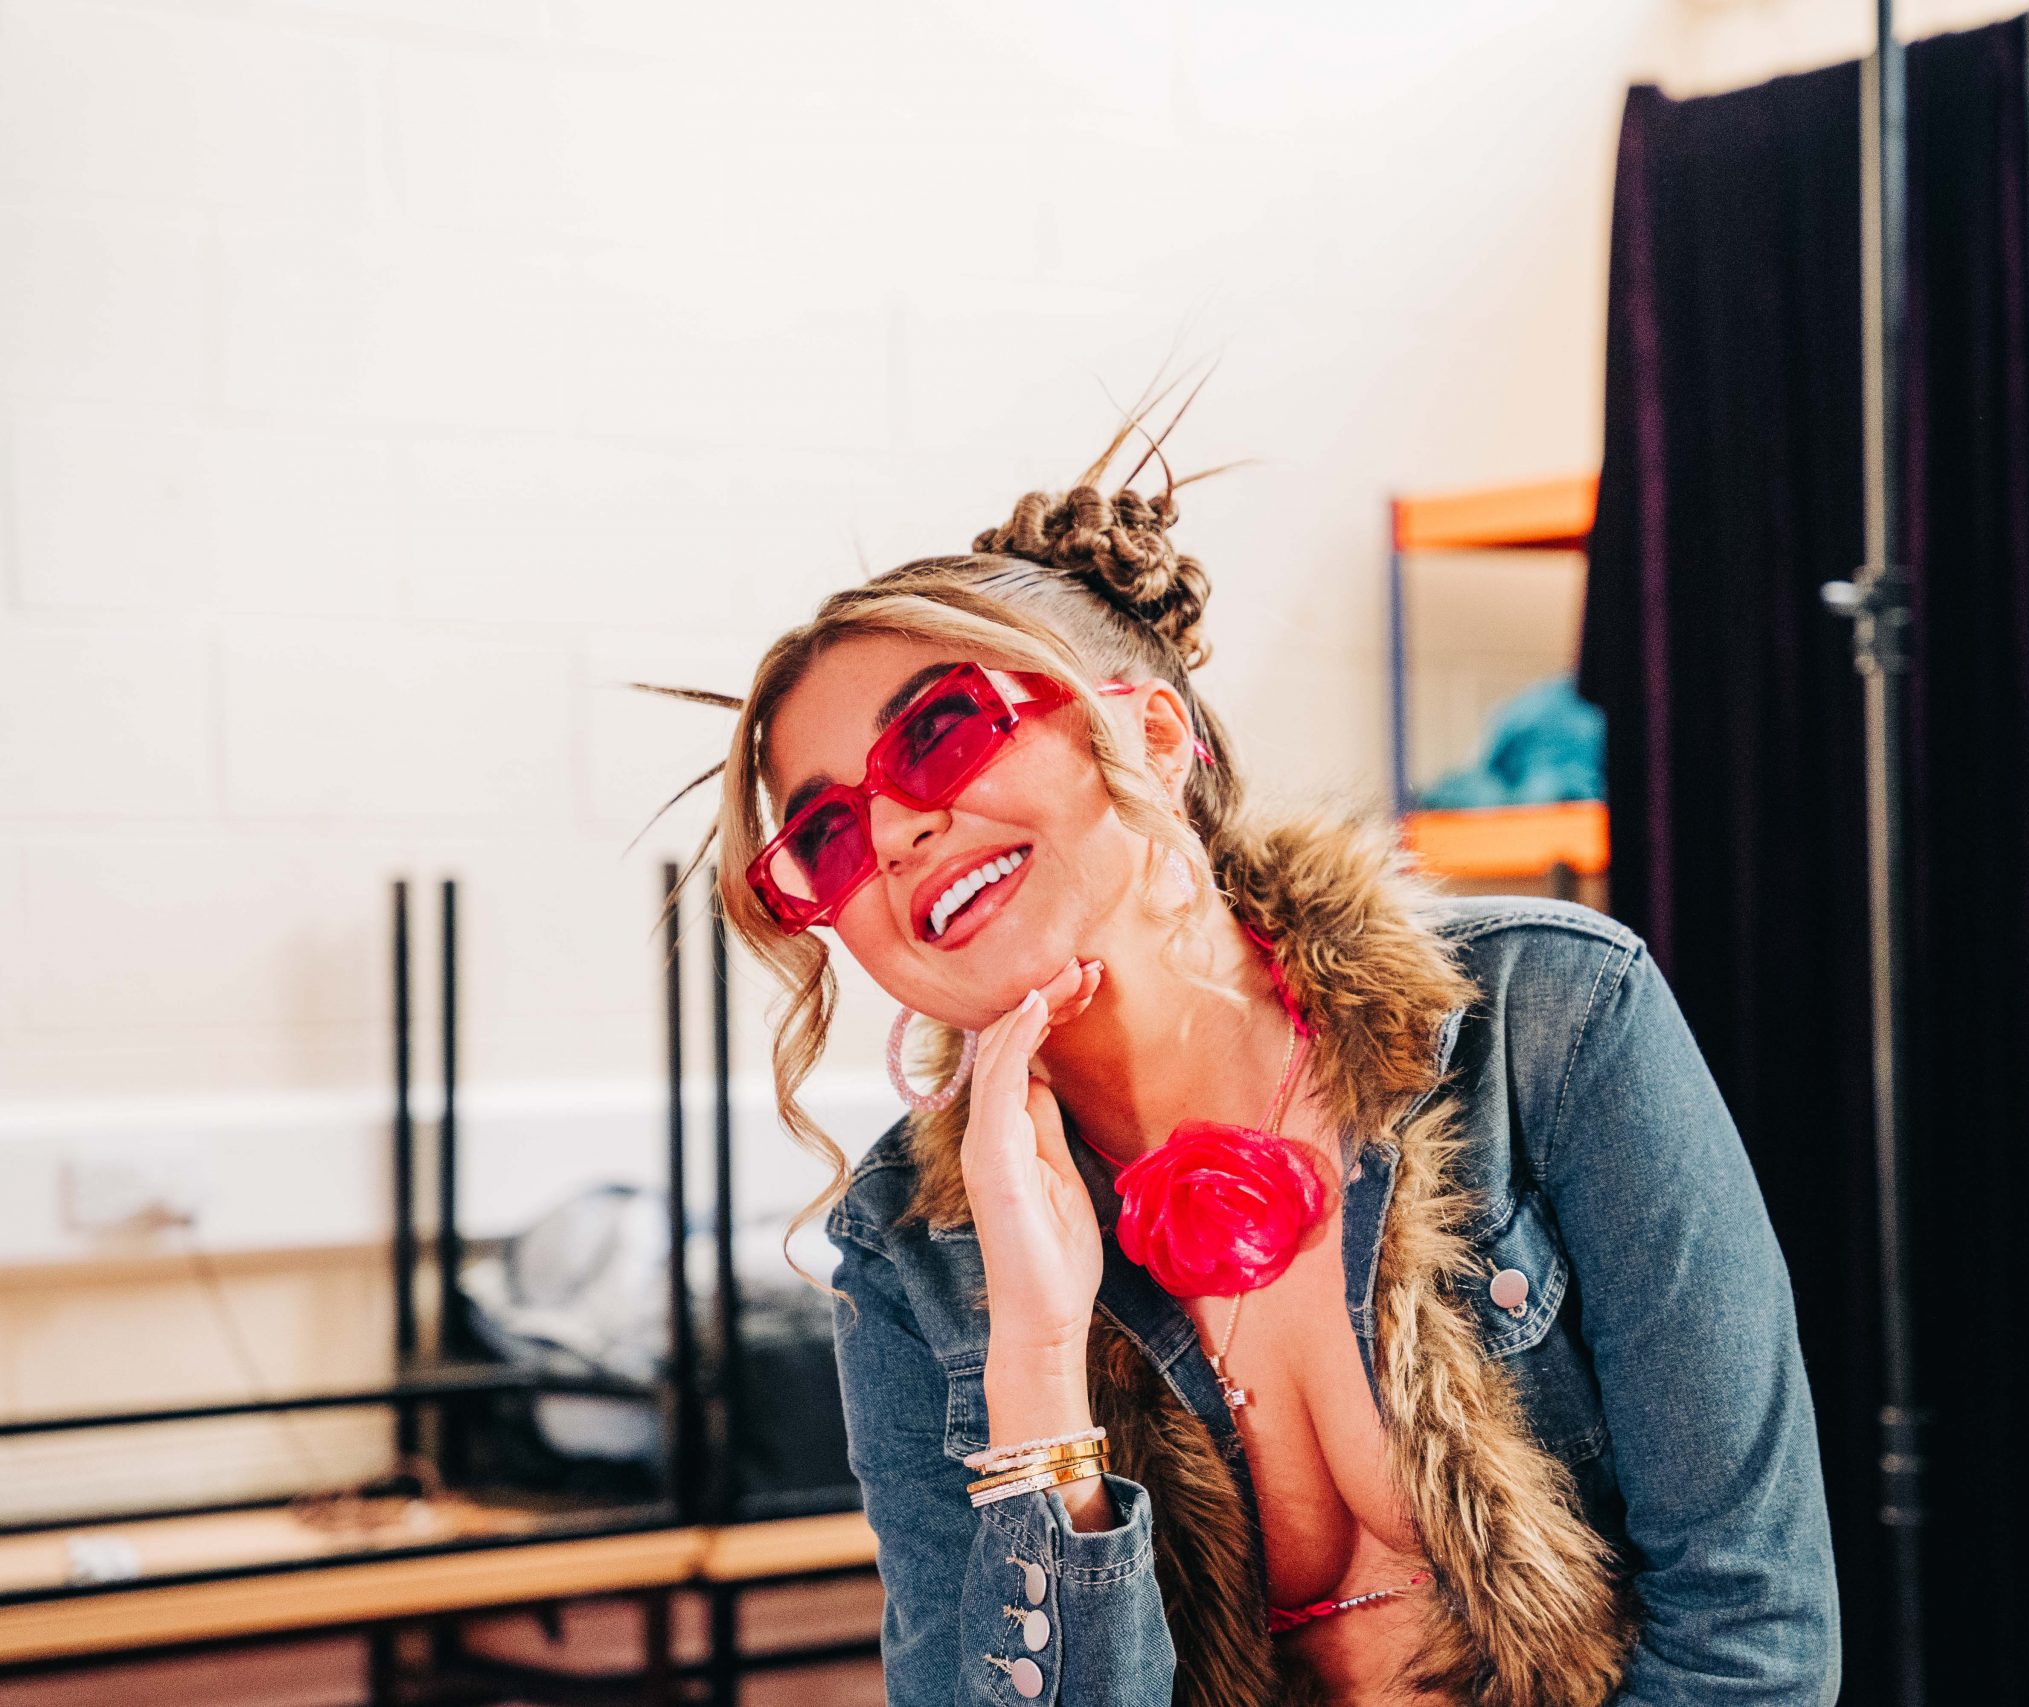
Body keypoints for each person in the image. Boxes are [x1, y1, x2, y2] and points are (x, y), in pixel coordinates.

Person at [703, 454, 1840, 1706]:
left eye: (941, 733)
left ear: (1150, 736)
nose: (890, 833)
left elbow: (1752, 1633)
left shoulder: (1546, 1019)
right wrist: (1034, 1362)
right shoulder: (909, 1249)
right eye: (821, 835)